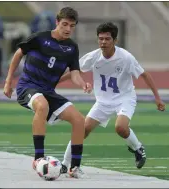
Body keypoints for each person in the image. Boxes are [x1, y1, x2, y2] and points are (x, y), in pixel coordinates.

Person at [59, 22, 165, 173]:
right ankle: (65, 164)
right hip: (103, 101)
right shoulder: (93, 57)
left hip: (124, 98)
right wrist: (56, 81)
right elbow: (75, 71)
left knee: (120, 127)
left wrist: (158, 98)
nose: (103, 42)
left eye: (107, 39)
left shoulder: (126, 58)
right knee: (81, 130)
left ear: (115, 40)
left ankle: (138, 148)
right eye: (100, 38)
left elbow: (145, 75)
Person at [3, 7, 92, 179]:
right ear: (57, 22)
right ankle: (38, 159)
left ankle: (74, 168)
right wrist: (8, 82)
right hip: (27, 86)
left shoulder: (72, 48)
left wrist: (83, 84)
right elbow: (18, 54)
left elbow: (74, 73)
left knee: (79, 120)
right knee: (41, 105)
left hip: (48, 91)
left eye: (71, 26)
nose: (67, 29)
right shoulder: (40, 38)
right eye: (64, 24)